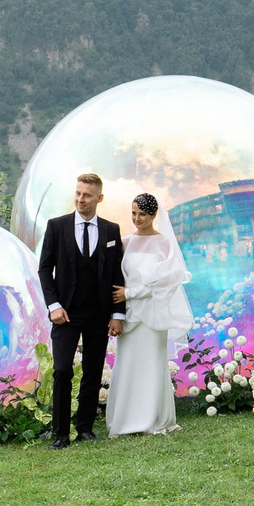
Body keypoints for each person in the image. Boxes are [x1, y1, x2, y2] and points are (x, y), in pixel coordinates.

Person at [35, 171, 128, 448]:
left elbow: (117, 274)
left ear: (99, 198)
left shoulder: (111, 230)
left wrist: (118, 314)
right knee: (62, 369)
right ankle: (60, 432)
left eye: (87, 195)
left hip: (98, 315)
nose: (80, 199)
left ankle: (85, 427)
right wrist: (54, 306)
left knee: (92, 371)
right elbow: (44, 269)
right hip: (65, 314)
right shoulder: (56, 226)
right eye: (77, 193)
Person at [107, 192, 193, 437]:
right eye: (133, 213)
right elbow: (117, 278)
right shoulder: (125, 242)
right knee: (128, 365)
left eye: (142, 214)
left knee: (152, 364)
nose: (137, 218)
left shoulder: (165, 244)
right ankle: (125, 421)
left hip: (153, 316)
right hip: (130, 317)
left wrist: (130, 293)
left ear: (154, 215)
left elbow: (166, 282)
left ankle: (152, 419)